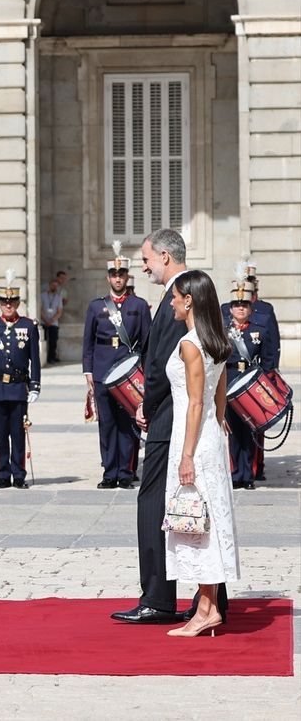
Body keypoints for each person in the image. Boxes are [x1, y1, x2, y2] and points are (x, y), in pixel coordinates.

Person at [111, 228, 227, 625]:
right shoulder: (190, 295)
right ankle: (211, 600)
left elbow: (165, 363)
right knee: (199, 503)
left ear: (164, 255)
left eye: (145, 260)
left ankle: (158, 598)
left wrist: (147, 401)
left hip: (171, 417)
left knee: (155, 504)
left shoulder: (182, 297)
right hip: (176, 413)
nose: (142, 268)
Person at [163, 269, 238, 637]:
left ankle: (207, 610)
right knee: (202, 520)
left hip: (191, 437)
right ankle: (206, 607)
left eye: (176, 296)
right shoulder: (215, 339)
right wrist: (219, 417)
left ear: (189, 299)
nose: (173, 301)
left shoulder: (191, 344)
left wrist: (187, 454)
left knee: (194, 521)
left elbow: (194, 403)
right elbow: (220, 383)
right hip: (207, 434)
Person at [82, 247, 150, 489]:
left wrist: (145, 372)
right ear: (108, 277)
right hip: (102, 372)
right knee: (107, 424)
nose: (118, 278)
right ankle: (110, 472)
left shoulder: (139, 305)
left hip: (129, 375)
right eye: (114, 274)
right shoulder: (96, 306)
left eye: (121, 274)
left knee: (127, 424)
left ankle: (126, 472)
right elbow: (88, 341)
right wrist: (88, 371)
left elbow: (146, 342)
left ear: (127, 277)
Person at [0, 277, 41, 489]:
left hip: (18, 388)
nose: (8, 305)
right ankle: (3, 474)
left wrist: (34, 385)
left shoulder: (28, 326)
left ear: (18, 303)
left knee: (18, 433)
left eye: (12, 302)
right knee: (0, 434)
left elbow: (35, 359)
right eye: (4, 301)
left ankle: (19, 475)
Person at [222, 281, 276, 490]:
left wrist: (266, 386)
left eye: (244, 304)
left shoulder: (259, 330)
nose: (240, 308)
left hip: (251, 384)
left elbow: (268, 360)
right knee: (234, 430)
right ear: (230, 308)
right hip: (230, 381)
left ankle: (249, 474)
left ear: (250, 307)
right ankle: (236, 474)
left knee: (250, 431)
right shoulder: (223, 330)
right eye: (236, 304)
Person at [40, 273, 65, 364]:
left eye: (56, 286)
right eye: (52, 285)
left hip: (54, 323)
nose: (54, 287)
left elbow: (59, 311)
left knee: (53, 341)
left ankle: (52, 357)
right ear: (49, 285)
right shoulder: (42, 295)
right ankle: (44, 358)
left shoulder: (58, 297)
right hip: (44, 321)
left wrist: (52, 320)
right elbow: (40, 309)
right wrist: (46, 320)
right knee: (45, 340)